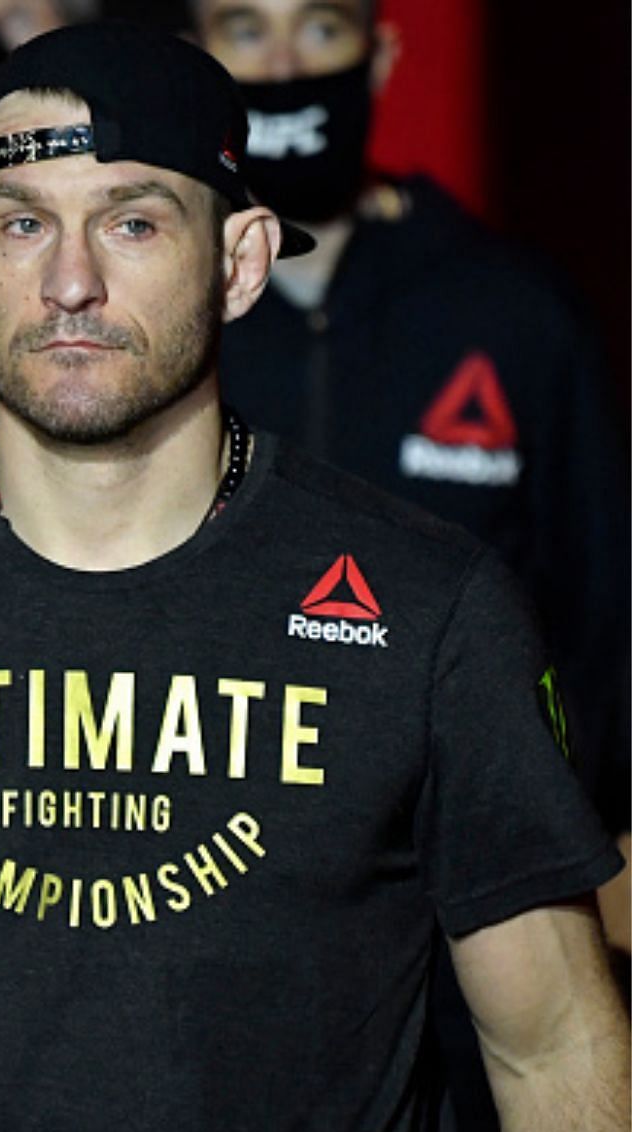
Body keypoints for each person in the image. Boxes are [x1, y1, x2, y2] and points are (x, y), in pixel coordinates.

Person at [0, 22, 626, 1132]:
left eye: (133, 222)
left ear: (239, 263)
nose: (69, 279)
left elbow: (554, 1049)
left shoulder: (427, 609)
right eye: (22, 222)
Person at [197, 0, 630, 851]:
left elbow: (606, 610)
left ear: (382, 56)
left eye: (321, 29)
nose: (285, 67)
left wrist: (594, 834)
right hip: (215, 872)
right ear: (197, 57)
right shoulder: (149, 310)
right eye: (245, 31)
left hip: (478, 876)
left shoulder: (511, 309)